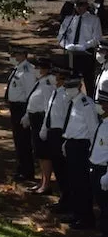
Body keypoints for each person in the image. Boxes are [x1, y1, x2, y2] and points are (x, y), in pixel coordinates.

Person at [61, 76, 98, 229]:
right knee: (73, 181)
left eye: (71, 87)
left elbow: (93, 129)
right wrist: (66, 141)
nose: (67, 90)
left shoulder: (86, 104)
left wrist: (92, 150)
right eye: (66, 87)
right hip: (72, 144)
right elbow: (72, 125)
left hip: (81, 146)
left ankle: (85, 217)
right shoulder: (73, 103)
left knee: (82, 183)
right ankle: (76, 213)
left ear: (78, 87)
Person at [40, 67, 72, 213]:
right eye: (56, 77)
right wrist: (45, 128)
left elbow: (67, 118)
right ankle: (63, 199)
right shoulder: (55, 92)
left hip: (60, 133)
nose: (56, 80)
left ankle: (67, 202)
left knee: (62, 169)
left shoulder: (66, 95)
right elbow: (49, 112)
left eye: (59, 78)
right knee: (58, 169)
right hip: (52, 131)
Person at [5, 44, 37, 181]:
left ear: (23, 55)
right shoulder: (18, 69)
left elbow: (30, 94)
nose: (13, 57)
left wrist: (27, 114)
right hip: (15, 108)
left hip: (22, 108)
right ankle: (21, 167)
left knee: (23, 141)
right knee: (18, 140)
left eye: (15, 55)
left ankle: (27, 171)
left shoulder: (27, 71)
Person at [24, 57, 56, 193]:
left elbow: (48, 106)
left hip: (41, 119)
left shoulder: (47, 84)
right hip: (35, 119)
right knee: (39, 153)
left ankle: (46, 184)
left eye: (38, 68)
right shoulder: (40, 82)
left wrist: (44, 126)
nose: (36, 70)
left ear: (46, 69)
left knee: (44, 154)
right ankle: (42, 181)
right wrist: (27, 115)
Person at [57, 0, 101, 96]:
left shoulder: (93, 20)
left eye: (81, 5)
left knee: (88, 80)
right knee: (70, 78)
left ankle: (90, 99)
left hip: (86, 53)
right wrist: (67, 45)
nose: (79, 8)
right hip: (71, 53)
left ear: (86, 6)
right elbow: (60, 36)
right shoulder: (69, 19)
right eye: (77, 5)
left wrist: (84, 46)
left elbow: (97, 38)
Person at [90, 91, 108, 237]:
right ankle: (103, 236)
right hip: (96, 167)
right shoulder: (104, 122)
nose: (101, 106)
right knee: (102, 205)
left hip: (104, 170)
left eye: (103, 104)